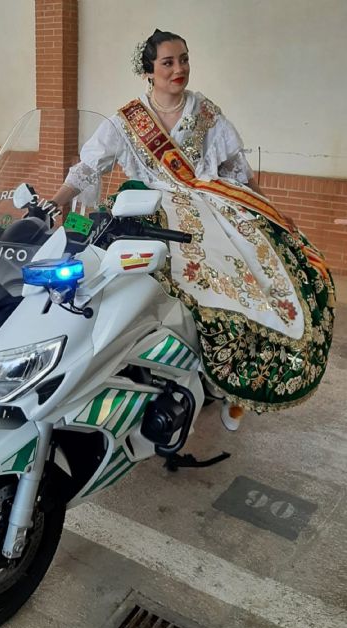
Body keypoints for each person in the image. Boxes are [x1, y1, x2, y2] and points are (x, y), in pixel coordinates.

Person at [49, 28, 335, 431]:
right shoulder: (127, 120)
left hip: (212, 205)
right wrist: (55, 201)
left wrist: (267, 206)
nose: (179, 69)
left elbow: (236, 168)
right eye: (168, 62)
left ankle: (232, 388)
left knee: (256, 278)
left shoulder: (205, 112)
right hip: (150, 209)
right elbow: (87, 168)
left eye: (183, 59)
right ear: (149, 71)